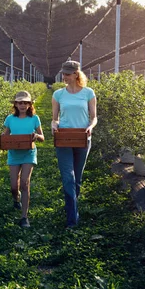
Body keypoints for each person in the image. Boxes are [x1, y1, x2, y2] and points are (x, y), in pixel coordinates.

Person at [51, 61, 97, 228]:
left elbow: (94, 117)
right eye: (63, 73)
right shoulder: (58, 94)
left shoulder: (88, 93)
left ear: (76, 74)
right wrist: (54, 125)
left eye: (68, 74)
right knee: (68, 178)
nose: (64, 76)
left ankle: (72, 206)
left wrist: (91, 127)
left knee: (77, 179)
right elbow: (55, 118)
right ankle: (72, 219)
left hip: (83, 139)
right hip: (64, 138)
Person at [2, 91, 45, 228]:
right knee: (14, 187)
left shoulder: (34, 118)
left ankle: (24, 217)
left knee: (25, 184)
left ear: (29, 104)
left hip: (28, 153)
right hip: (14, 154)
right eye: (20, 102)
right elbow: (5, 135)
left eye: (25, 103)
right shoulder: (10, 119)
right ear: (15, 104)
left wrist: (36, 136)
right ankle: (16, 199)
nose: (22, 105)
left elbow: (42, 137)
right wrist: (3, 140)